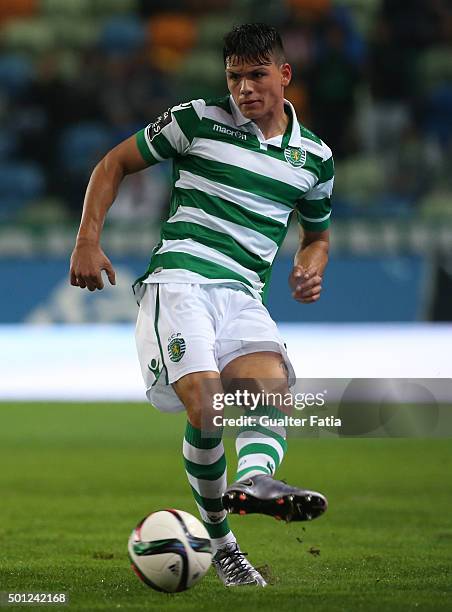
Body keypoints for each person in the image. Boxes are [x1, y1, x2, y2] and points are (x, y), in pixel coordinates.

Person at [70, 23, 333, 588]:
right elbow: (112, 164)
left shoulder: (315, 159)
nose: (244, 89)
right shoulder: (194, 119)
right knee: (209, 410)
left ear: (284, 75)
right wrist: (86, 239)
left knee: (271, 386)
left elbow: (317, 234)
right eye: (235, 77)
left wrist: (312, 265)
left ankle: (259, 480)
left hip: (244, 294)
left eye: (257, 75)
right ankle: (223, 543)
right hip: (182, 281)